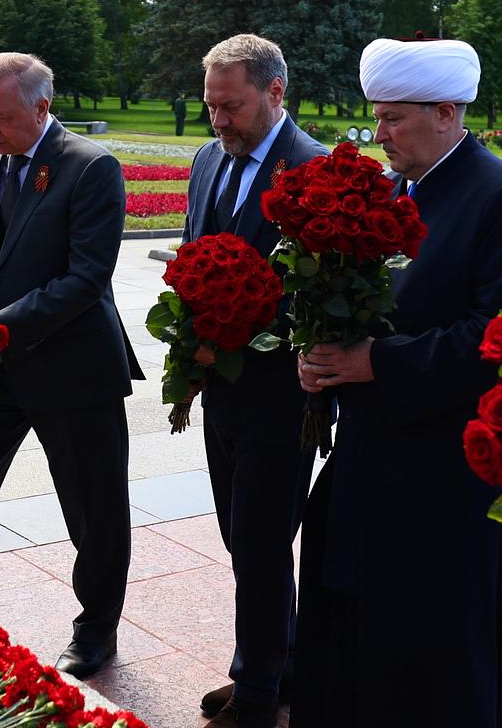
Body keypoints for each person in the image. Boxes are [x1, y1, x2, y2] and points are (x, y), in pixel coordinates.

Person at [292, 38, 502, 728]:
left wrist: (376, 362)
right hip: (370, 464)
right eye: (376, 119)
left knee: (436, 657)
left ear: (446, 113)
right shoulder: (384, 193)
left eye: (392, 119)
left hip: (453, 483)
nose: (377, 136)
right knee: (353, 632)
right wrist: (316, 354)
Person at [0, 52, 143, 679]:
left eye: (2, 117)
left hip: (73, 368)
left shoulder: (91, 168)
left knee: (93, 509)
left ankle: (97, 628)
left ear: (42, 107)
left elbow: (87, 278)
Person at [181, 35, 326, 728]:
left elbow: (323, 294)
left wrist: (243, 336)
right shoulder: (209, 159)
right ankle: (284, 661)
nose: (218, 121)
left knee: (263, 540)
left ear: (275, 93)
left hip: (282, 393)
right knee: (244, 538)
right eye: (211, 106)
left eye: (231, 106)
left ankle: (259, 690)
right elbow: (193, 257)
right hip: (221, 392)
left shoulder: (316, 170)